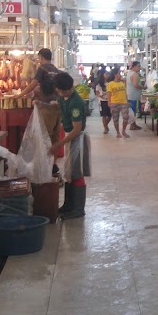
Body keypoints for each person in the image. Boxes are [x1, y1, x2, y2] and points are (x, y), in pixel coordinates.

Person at [52, 72, 89, 220]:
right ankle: (68, 205)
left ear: (69, 88)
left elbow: (77, 130)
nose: (60, 94)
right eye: (59, 91)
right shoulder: (62, 97)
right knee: (69, 173)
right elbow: (58, 107)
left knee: (76, 173)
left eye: (63, 92)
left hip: (77, 139)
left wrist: (59, 143)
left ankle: (78, 209)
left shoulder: (76, 103)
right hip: (69, 137)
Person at [107, 70, 132, 138]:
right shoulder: (110, 84)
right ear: (115, 75)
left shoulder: (122, 82)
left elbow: (125, 92)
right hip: (114, 103)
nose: (120, 75)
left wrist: (127, 101)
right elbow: (109, 93)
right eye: (119, 73)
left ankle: (123, 131)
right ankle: (118, 132)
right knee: (115, 119)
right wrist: (109, 102)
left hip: (123, 102)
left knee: (126, 117)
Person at [126, 61, 144, 130]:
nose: (139, 68)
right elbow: (136, 85)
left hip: (130, 94)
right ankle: (132, 125)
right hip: (134, 96)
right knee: (134, 110)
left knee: (132, 110)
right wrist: (143, 87)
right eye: (138, 66)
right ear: (134, 66)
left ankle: (133, 124)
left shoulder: (129, 73)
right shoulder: (135, 74)